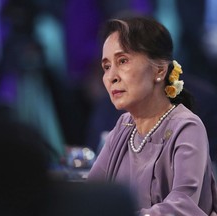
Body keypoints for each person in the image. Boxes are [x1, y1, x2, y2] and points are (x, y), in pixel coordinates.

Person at [87, 16, 217, 216]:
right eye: (106, 66)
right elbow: (92, 193)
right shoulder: (124, 127)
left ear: (159, 70)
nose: (111, 76)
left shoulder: (187, 127)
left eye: (122, 61)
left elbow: (183, 205)